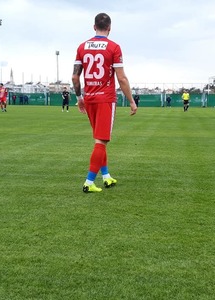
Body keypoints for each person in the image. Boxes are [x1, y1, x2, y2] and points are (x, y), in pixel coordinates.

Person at [72, 12, 137, 193]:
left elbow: (75, 77)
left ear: (94, 27)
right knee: (101, 141)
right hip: (105, 99)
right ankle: (89, 182)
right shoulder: (114, 47)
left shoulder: (82, 47)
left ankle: (106, 176)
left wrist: (79, 99)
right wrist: (131, 101)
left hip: (90, 98)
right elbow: (122, 78)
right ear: (109, 28)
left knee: (100, 139)